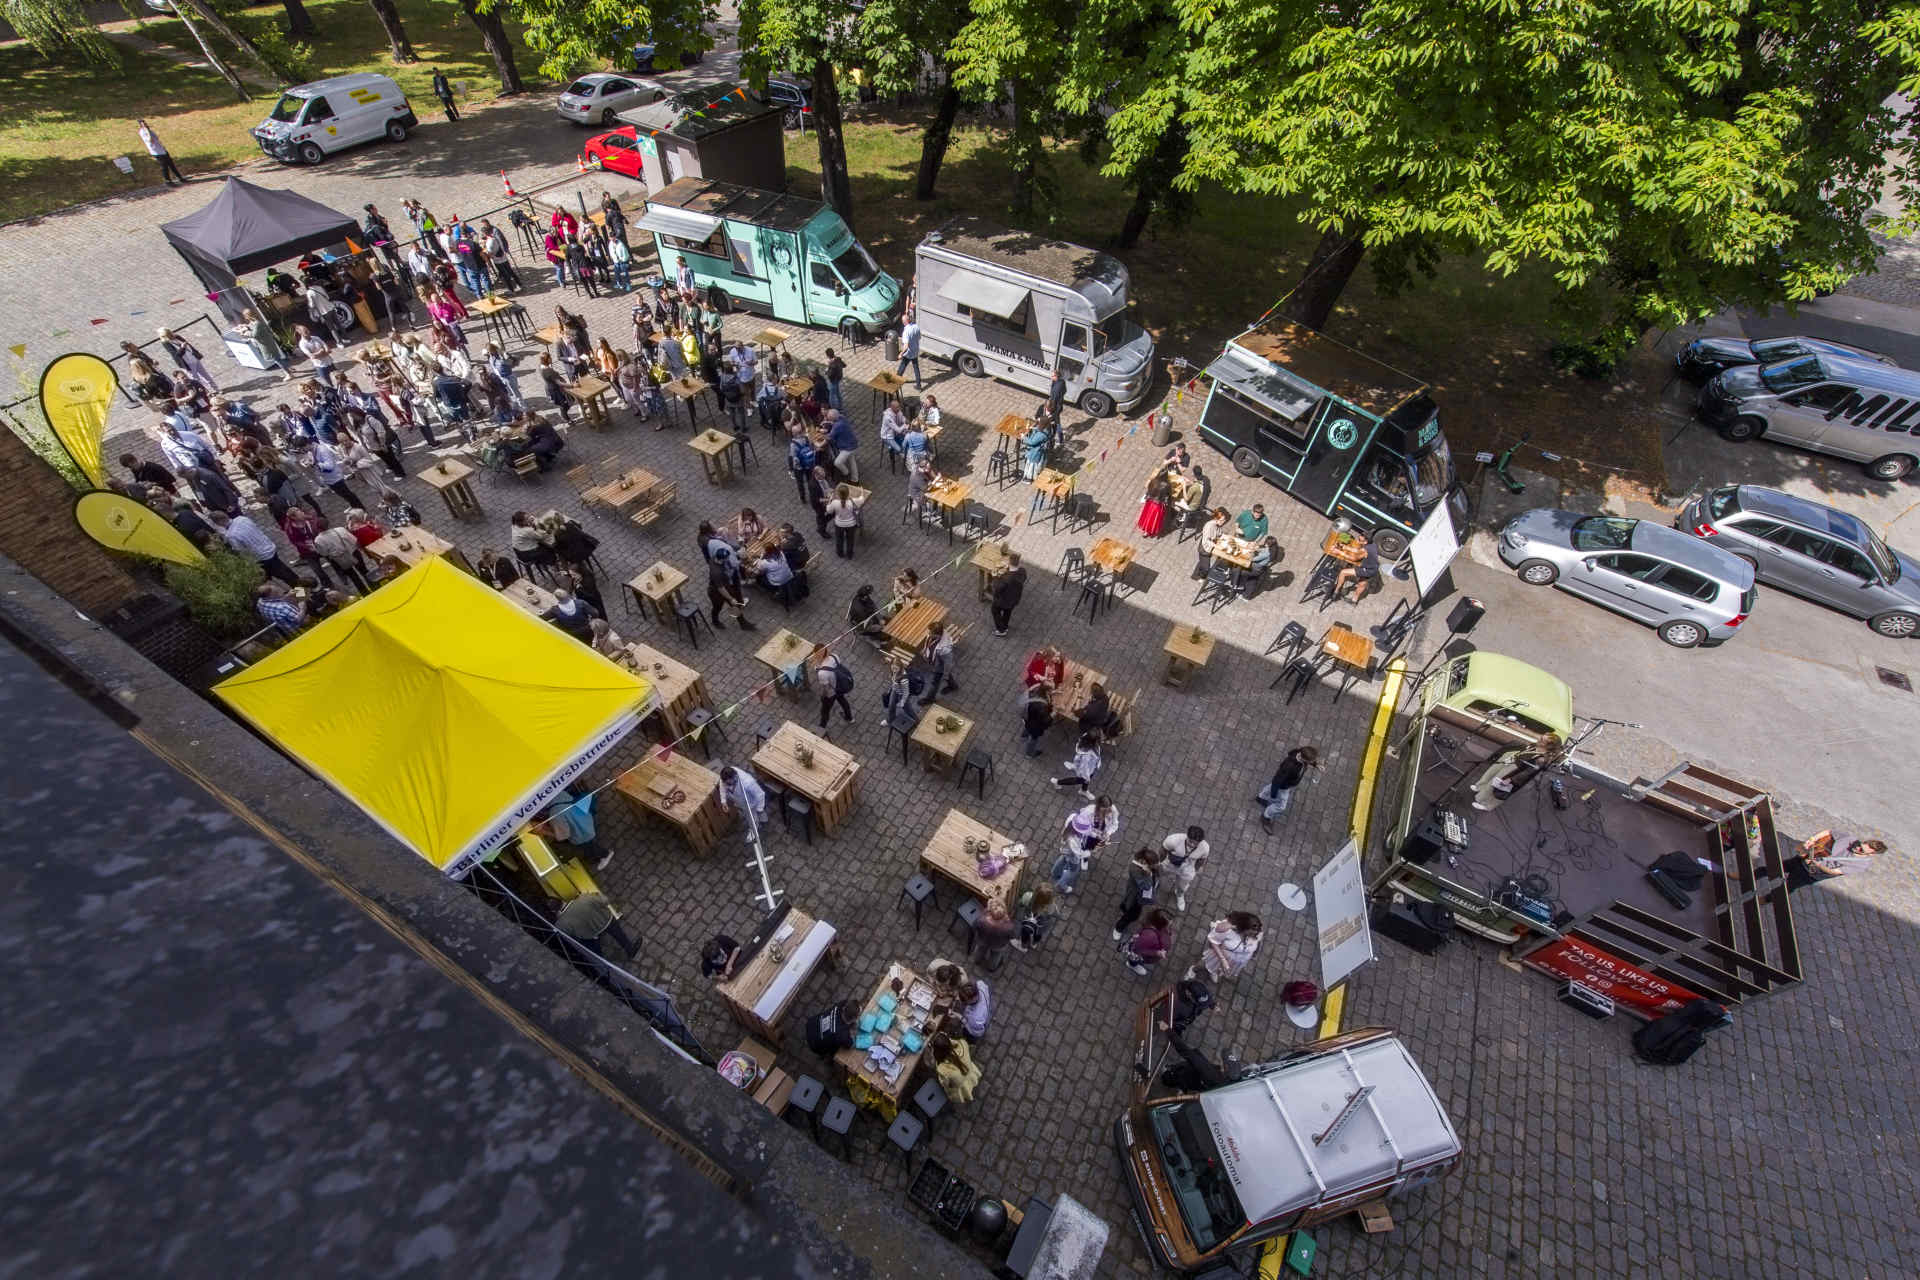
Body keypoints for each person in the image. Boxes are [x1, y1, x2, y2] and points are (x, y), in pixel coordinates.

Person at [1052, 795, 1120, 894]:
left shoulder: (1073, 821)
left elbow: (1088, 832)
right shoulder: (1076, 841)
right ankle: (1061, 885)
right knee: (1073, 870)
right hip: (1074, 851)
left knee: (1064, 857)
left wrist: (1103, 835)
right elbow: (1081, 853)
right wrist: (1093, 850)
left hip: (1068, 848)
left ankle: (1055, 873)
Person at [211, 510, 299, 585]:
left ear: (219, 523)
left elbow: (242, 552)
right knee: (282, 573)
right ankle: (298, 591)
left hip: (263, 557)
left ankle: (302, 593)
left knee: (285, 575)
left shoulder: (231, 535)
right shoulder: (241, 518)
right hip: (268, 546)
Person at [1783, 830, 1888, 891]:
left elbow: (1834, 872)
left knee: (1786, 888)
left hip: (1810, 874)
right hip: (1803, 859)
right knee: (1778, 867)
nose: (1857, 847)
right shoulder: (1850, 839)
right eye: (1860, 845)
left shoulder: (1861, 865)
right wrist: (1812, 840)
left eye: (1861, 850)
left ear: (1871, 854)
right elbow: (1828, 832)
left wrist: (1817, 865)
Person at [536, 791, 614, 872]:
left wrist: (543, 831)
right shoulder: (559, 794)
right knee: (590, 845)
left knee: (589, 846)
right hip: (586, 821)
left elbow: (563, 836)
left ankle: (605, 855)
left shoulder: (554, 814)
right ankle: (593, 856)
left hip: (580, 833)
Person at [1186, 912, 1263, 984]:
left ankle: (1213, 971)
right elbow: (1213, 941)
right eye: (1250, 933)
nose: (1252, 936)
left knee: (1219, 968)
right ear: (1243, 927)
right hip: (1220, 955)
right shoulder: (1228, 931)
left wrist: (1254, 954)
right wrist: (1223, 960)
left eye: (1255, 934)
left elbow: (1258, 942)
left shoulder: (1257, 931)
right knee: (1206, 964)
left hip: (1236, 961)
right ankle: (1193, 969)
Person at [1258, 745, 1321, 832]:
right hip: (1283, 787)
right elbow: (1277, 780)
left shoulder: (1299, 753)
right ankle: (1266, 816)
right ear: (1304, 759)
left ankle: (1261, 797)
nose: (1313, 761)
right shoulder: (1289, 767)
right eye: (1311, 761)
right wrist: (1273, 795)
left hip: (1283, 783)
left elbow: (1307, 760)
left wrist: (1316, 765)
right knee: (1281, 806)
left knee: (1270, 787)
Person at [1112, 847, 1164, 942]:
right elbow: (1146, 887)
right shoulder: (1135, 869)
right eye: (1154, 865)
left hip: (1144, 893)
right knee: (1132, 914)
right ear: (1145, 862)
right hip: (1136, 895)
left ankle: (1124, 907)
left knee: (1130, 907)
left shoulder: (1150, 865)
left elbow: (1159, 873)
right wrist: (1148, 874)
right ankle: (1118, 928)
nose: (1157, 866)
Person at [1162, 825, 1211, 913]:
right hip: (1170, 863)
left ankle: (1179, 894)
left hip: (1188, 867)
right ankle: (1155, 881)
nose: (1192, 845)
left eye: (1195, 843)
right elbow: (1163, 850)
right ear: (1187, 836)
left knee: (1183, 885)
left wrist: (1197, 869)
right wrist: (1159, 861)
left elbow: (1202, 859)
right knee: (1160, 872)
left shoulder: (1205, 848)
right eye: (1190, 841)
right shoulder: (1173, 840)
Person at [929, 1033, 982, 1103]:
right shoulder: (963, 1043)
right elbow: (956, 1043)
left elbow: (946, 1083)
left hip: (959, 1085)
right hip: (968, 1070)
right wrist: (946, 1039)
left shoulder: (942, 1069)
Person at [1122, 909, 1174, 977]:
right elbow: (1139, 948)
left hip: (1148, 949)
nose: (1169, 927)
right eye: (1167, 925)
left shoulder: (1153, 924)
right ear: (1160, 924)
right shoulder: (1149, 936)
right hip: (1141, 953)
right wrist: (1156, 952)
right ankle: (1132, 965)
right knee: (1134, 960)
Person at [813, 647, 855, 730]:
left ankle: (821, 728)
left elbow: (826, 689)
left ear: (817, 656)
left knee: (825, 711)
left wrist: (823, 697)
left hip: (831, 692)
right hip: (840, 686)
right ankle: (849, 718)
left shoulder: (822, 673)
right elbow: (834, 667)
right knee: (842, 700)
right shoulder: (834, 656)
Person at [717, 764, 768, 831]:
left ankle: (757, 827)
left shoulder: (748, 783)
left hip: (751, 803)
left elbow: (760, 794)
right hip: (741, 802)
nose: (726, 785)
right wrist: (723, 801)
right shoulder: (725, 777)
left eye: (728, 783)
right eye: (726, 783)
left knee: (753, 817)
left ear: (734, 777)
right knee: (751, 815)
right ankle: (761, 821)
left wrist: (759, 808)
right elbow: (722, 786)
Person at [1334, 532, 1381, 602]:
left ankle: (1336, 592)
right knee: (1362, 583)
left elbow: (1354, 559)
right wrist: (1344, 547)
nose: (1357, 541)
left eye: (1359, 540)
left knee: (1343, 572)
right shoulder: (1372, 544)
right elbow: (1357, 551)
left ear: (1365, 542)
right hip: (1373, 567)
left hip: (1367, 570)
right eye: (1358, 538)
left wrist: (1340, 552)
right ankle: (1354, 600)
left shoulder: (1366, 550)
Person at [136, 118, 185, 185]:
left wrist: (163, 147)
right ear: (140, 125)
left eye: (145, 123)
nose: (145, 124)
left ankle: (180, 178)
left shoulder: (150, 130)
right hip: (156, 152)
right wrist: (147, 130)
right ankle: (168, 181)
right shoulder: (142, 132)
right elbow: (150, 140)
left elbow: (157, 139)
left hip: (162, 150)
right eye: (143, 124)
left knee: (171, 165)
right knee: (164, 167)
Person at [1012, 883, 1059, 952]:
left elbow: (1021, 903)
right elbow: (1057, 914)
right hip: (1042, 926)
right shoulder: (1052, 906)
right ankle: (1034, 943)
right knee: (1038, 934)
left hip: (1029, 923)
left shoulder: (1028, 896)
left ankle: (1023, 946)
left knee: (1025, 934)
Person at [989, 551, 1025, 636]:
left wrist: (994, 577)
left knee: (994, 611)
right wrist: (1008, 568)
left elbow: (997, 588)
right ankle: (1005, 626)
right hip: (1014, 599)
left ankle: (1001, 630)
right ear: (1018, 562)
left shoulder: (1006, 579)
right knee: (1007, 612)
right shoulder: (1022, 571)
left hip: (1002, 601)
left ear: (1009, 562)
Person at [971, 901, 1016, 968]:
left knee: (980, 950)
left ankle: (976, 960)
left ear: (990, 912)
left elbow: (974, 926)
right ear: (1004, 914)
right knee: (995, 956)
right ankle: (991, 967)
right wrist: (1008, 921)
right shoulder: (1008, 927)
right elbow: (1012, 936)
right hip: (998, 945)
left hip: (982, 940)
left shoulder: (982, 920)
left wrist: (985, 911)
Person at [1019, 681, 1053, 758]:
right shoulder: (1042, 706)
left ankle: (1023, 736)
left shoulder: (1036, 691)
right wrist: (1054, 713)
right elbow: (1045, 720)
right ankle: (1029, 753)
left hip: (1029, 718)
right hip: (1035, 725)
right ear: (1048, 690)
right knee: (1033, 739)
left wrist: (1051, 694)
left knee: (1027, 727)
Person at [923, 619, 958, 695]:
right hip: (936, 661)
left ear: (937, 635)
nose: (928, 634)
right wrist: (925, 651)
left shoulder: (945, 649)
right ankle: (953, 686)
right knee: (947, 677)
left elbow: (948, 663)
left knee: (935, 682)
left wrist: (945, 675)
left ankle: (929, 698)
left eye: (930, 633)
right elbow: (928, 643)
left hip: (939, 666)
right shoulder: (936, 634)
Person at [1137, 467, 1173, 537]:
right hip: (1158, 505)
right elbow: (1169, 494)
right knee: (1153, 519)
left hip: (1150, 502)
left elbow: (1148, 489)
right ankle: (1148, 531)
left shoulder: (1153, 481)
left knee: (1147, 516)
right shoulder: (1167, 485)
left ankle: (1145, 530)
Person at [1196, 507, 1230, 576]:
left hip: (1210, 546)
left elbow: (1219, 533)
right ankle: (1201, 576)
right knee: (1206, 567)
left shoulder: (1217, 524)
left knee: (1204, 562)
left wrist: (1226, 537)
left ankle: (1202, 568)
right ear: (1216, 519)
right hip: (1205, 549)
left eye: (1224, 520)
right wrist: (1217, 546)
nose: (1224, 521)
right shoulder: (1209, 526)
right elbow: (1206, 541)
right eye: (1222, 520)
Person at [1020, 416, 1051, 482]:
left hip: (1035, 452)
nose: (1038, 423)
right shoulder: (1047, 428)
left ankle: (1029, 479)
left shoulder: (1041, 435)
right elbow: (1040, 429)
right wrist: (1033, 428)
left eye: (1039, 423)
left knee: (1032, 465)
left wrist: (1023, 437)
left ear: (1042, 424)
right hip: (1041, 452)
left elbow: (1032, 442)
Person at [895, 315, 922, 387]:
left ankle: (896, 381)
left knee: (902, 366)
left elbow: (906, 346)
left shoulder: (906, 332)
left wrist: (901, 354)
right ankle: (919, 385)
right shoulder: (916, 326)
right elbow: (919, 337)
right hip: (915, 350)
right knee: (916, 368)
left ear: (904, 322)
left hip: (908, 353)